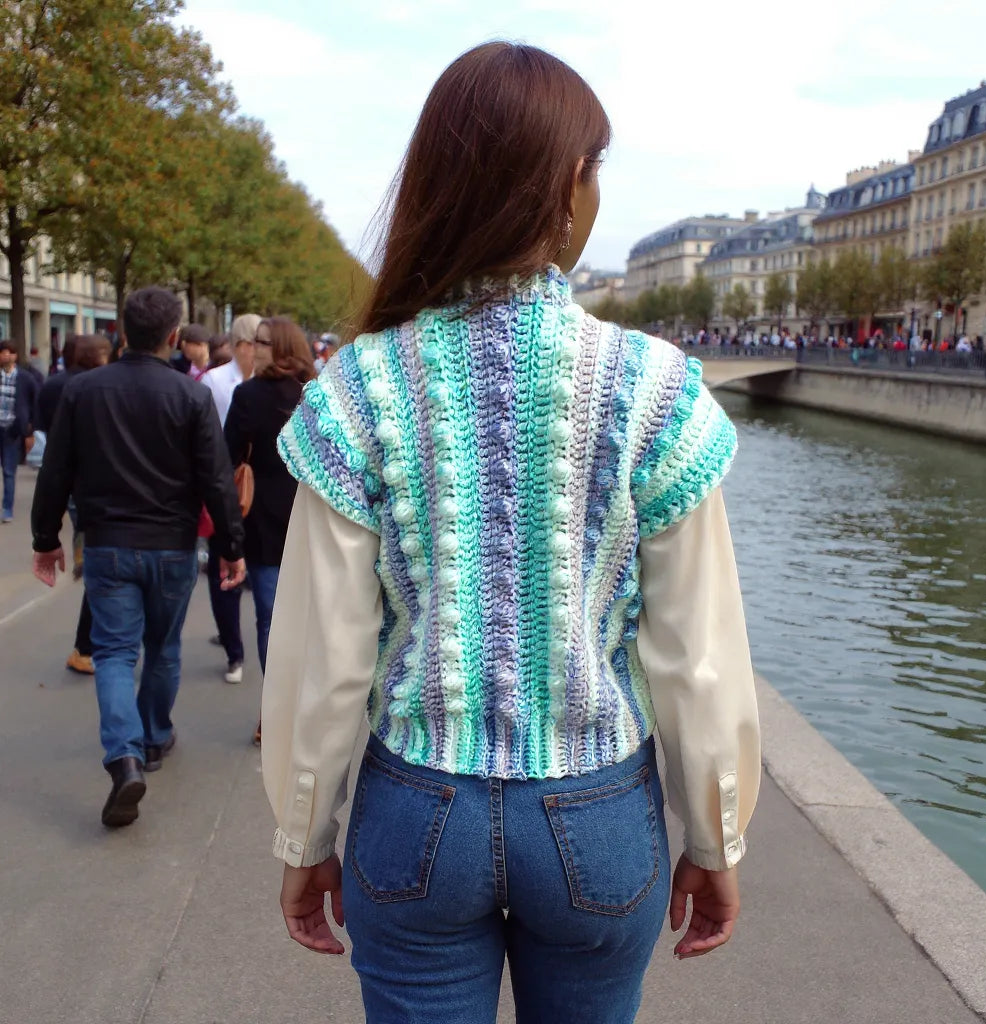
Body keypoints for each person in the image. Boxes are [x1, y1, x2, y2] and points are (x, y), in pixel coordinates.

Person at [260, 42, 760, 1023]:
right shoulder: (655, 388)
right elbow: (695, 655)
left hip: (415, 814)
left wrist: (303, 832)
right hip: (597, 812)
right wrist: (715, 836)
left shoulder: (358, 387)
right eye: (595, 171)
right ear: (565, 187)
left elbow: (324, 654)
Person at [30, 286, 246, 829]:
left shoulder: (85, 391)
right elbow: (216, 480)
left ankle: (123, 756)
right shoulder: (190, 396)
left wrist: (45, 539)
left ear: (123, 331)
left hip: (107, 543)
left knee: (113, 653)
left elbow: (56, 469)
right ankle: (153, 737)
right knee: (163, 647)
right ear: (173, 336)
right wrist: (231, 547)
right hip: (172, 545)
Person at [224, 316, 315, 744]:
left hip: (263, 519)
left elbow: (228, 455)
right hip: (312, 517)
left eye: (261, 342)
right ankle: (298, 708)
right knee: (308, 619)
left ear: (279, 347)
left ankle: (274, 712)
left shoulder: (248, 395)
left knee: (270, 619)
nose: (252, 349)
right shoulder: (316, 393)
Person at [35, 334, 113, 675]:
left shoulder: (56, 384)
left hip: (68, 472)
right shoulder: (94, 388)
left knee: (85, 530)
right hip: (92, 481)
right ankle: (86, 645)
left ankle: (82, 556)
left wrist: (45, 538)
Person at [202, 313, 260, 683]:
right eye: (258, 343)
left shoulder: (270, 382)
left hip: (259, 490)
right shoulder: (214, 381)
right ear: (240, 345)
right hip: (224, 485)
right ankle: (233, 650)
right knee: (223, 567)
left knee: (256, 568)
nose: (261, 351)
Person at [0, 340, 41, 523]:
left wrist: (30, 428)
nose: (6, 355)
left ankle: (7, 508)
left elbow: (36, 402)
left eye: (9, 352)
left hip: (12, 430)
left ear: (15, 356)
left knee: (9, 471)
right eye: (3, 352)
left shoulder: (25, 378)